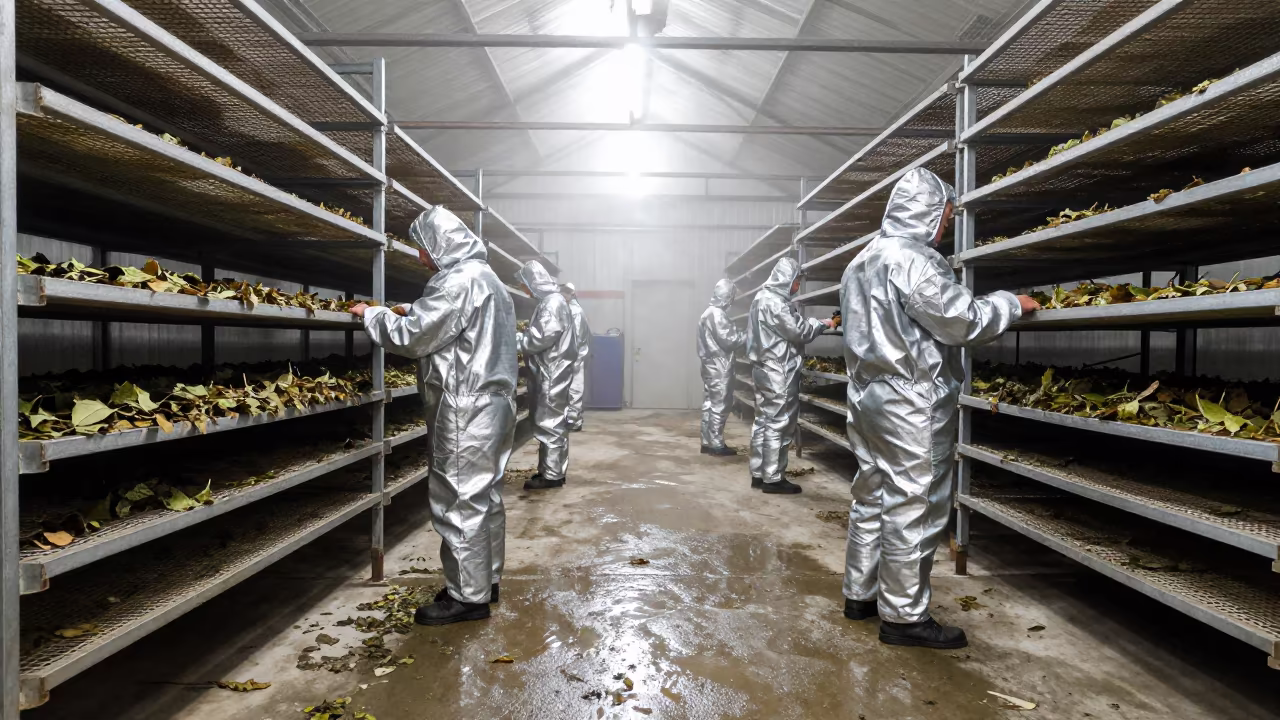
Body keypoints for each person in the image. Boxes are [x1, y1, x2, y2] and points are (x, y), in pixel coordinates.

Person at [838, 167, 1039, 648]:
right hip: (912, 401)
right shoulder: (914, 260)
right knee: (915, 502)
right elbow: (961, 321)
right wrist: (1012, 304)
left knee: (872, 494)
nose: (946, 225)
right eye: (945, 215)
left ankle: (860, 594)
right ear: (928, 212)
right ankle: (904, 618)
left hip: (867, 396)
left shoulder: (860, 262)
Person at [350, 205, 517, 626]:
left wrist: (374, 315)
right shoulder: (486, 280)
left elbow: (412, 337)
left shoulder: (457, 281)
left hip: (465, 409)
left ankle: (467, 598)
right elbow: (448, 321)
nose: (421, 258)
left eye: (423, 249)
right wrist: (411, 307)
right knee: (484, 497)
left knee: (458, 500)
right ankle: (483, 579)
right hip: (492, 405)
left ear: (441, 245)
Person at [747, 257, 834, 494]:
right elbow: (798, 331)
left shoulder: (759, 299)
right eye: (796, 281)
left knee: (763, 421)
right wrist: (823, 323)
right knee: (780, 423)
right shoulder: (775, 303)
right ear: (787, 280)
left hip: (762, 368)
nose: (797, 286)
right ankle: (773, 478)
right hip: (779, 370)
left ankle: (759, 472)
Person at [517, 261, 579, 490]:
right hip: (552, 370)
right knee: (553, 423)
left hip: (551, 372)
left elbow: (540, 338)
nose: (524, 290)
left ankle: (551, 476)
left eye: (524, 285)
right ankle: (552, 470)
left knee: (549, 423)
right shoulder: (552, 301)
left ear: (534, 283)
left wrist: (515, 340)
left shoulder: (552, 303)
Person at [697, 278, 746, 456]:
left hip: (709, 365)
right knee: (720, 405)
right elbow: (730, 340)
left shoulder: (706, 313)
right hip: (720, 366)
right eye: (731, 297)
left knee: (709, 403)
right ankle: (716, 444)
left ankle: (706, 441)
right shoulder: (717, 314)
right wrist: (747, 335)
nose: (732, 301)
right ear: (727, 296)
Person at [562, 282, 591, 432]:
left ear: (570, 294)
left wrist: (574, 357)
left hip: (575, 356)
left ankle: (574, 421)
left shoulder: (574, 311)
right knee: (574, 388)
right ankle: (575, 419)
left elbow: (578, 336)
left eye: (563, 294)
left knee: (574, 388)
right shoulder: (574, 309)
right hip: (576, 355)